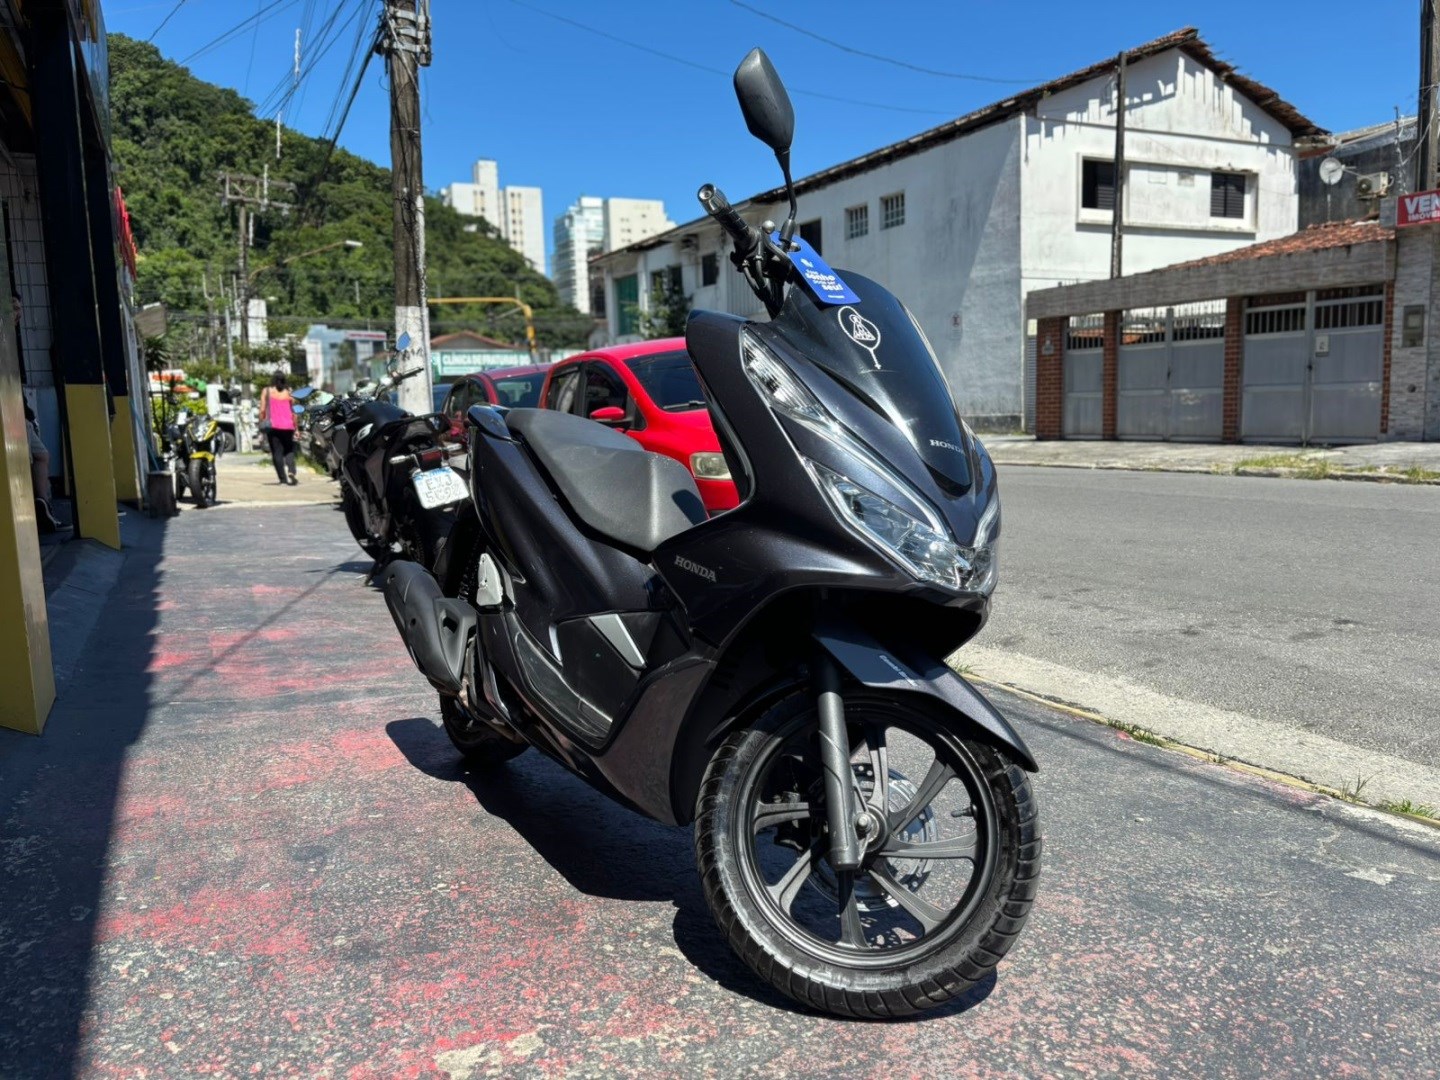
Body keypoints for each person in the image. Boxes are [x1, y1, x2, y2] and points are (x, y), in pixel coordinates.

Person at [259, 372, 298, 485]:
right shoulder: (289, 392)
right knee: (289, 450)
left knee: (277, 453)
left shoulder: (266, 391)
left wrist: (261, 422)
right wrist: (296, 428)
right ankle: (291, 471)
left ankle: (283, 479)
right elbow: (294, 412)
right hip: (288, 426)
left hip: (273, 426)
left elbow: (262, 410)